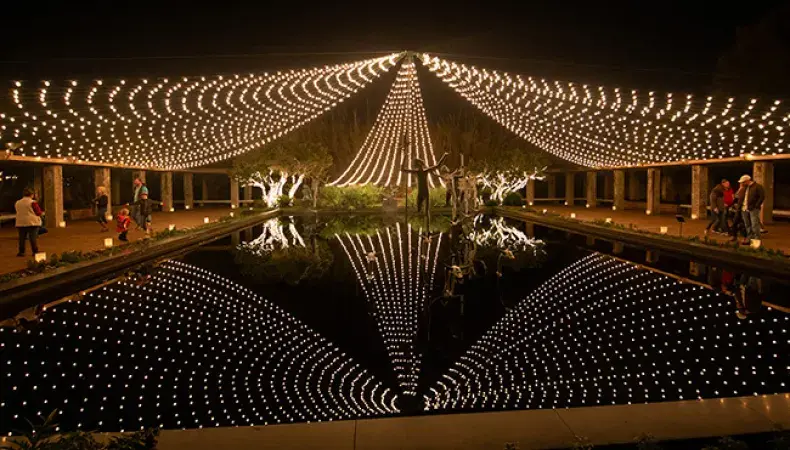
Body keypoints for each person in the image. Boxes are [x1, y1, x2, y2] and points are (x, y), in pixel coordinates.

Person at [14, 188, 44, 257]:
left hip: (20, 222)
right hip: (32, 222)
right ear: (31, 195)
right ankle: (35, 251)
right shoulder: (33, 202)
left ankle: (21, 252)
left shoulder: (18, 202)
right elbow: (38, 212)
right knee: (32, 238)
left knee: (22, 238)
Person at [737, 174, 765, 245]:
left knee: (754, 225)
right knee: (747, 225)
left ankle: (756, 240)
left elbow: (761, 197)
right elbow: (739, 196)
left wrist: (756, 205)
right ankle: (749, 238)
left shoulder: (758, 187)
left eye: (743, 182)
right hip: (744, 208)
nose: (742, 184)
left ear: (747, 181)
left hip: (753, 208)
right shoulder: (744, 188)